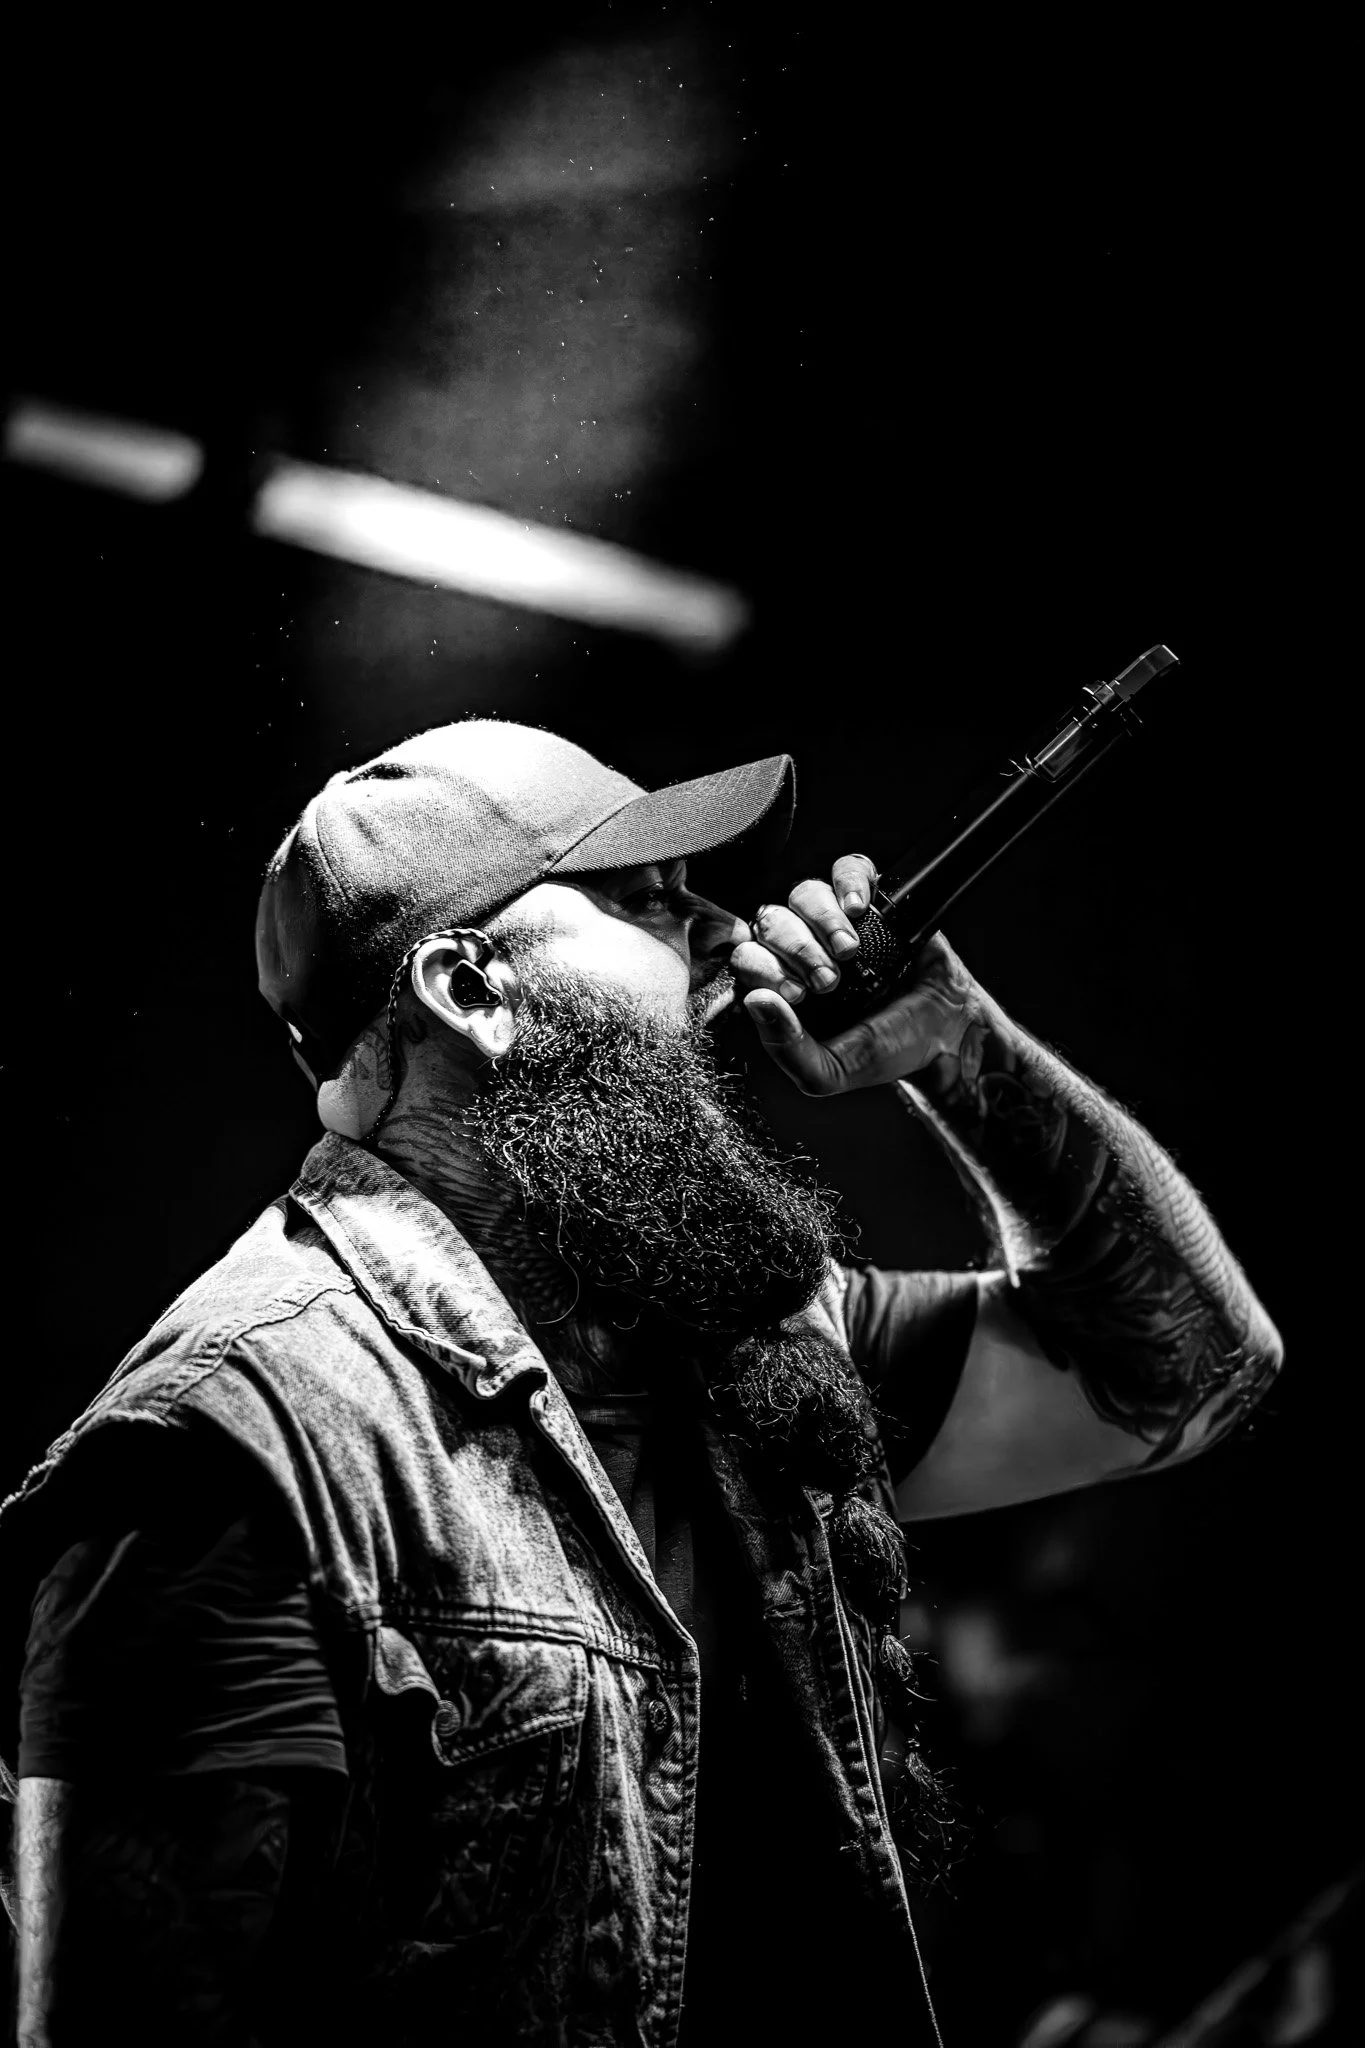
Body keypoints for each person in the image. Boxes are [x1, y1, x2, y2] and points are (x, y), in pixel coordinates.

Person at [1, 718, 1281, 2047]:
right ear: (473, 988)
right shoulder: (235, 1442)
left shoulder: (757, 1351)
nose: (728, 934)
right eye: (644, 898)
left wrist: (956, 1046)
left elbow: (1191, 1368)